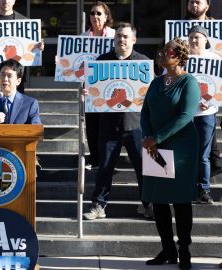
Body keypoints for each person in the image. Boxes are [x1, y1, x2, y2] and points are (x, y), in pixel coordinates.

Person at [82, 22, 152, 221]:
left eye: (125, 36)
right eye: (118, 36)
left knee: (143, 168)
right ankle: (99, 205)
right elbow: (94, 93)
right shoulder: (102, 61)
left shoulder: (144, 63)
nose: (121, 39)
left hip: (137, 125)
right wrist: (87, 93)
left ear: (133, 40)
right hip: (109, 125)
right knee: (104, 167)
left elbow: (151, 97)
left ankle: (149, 204)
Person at [141, 37, 198, 270]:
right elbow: (145, 112)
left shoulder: (188, 82)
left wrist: (158, 137)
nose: (161, 54)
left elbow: (185, 117)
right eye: (161, 50)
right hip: (155, 147)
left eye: (166, 51)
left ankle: (184, 250)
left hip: (181, 147)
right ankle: (167, 250)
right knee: (159, 200)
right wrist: (148, 138)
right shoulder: (156, 83)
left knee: (180, 200)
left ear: (179, 56)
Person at [81, 1, 115, 170]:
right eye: (92, 13)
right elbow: (76, 65)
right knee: (92, 124)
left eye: (99, 13)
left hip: (111, 88)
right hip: (90, 89)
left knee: (109, 125)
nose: (95, 16)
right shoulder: (82, 38)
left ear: (106, 16)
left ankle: (108, 159)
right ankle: (94, 158)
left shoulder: (115, 36)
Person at [188, 25, 219, 205]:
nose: (194, 40)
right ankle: (187, 188)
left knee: (202, 155)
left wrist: (209, 99)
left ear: (206, 40)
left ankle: (204, 190)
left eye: (197, 37)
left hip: (206, 113)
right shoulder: (182, 59)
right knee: (187, 153)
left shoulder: (214, 59)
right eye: (191, 37)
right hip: (185, 114)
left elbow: (219, 86)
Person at [0, 0, 44, 94]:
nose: (6, 1)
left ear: (14, 1)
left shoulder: (24, 22)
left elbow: (31, 49)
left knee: (16, 107)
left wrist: (38, 48)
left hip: (16, 75)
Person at [0, 59, 41, 125]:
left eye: (9, 76)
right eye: (2, 75)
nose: (5, 79)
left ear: (18, 81)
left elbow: (35, 131)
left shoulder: (30, 104)